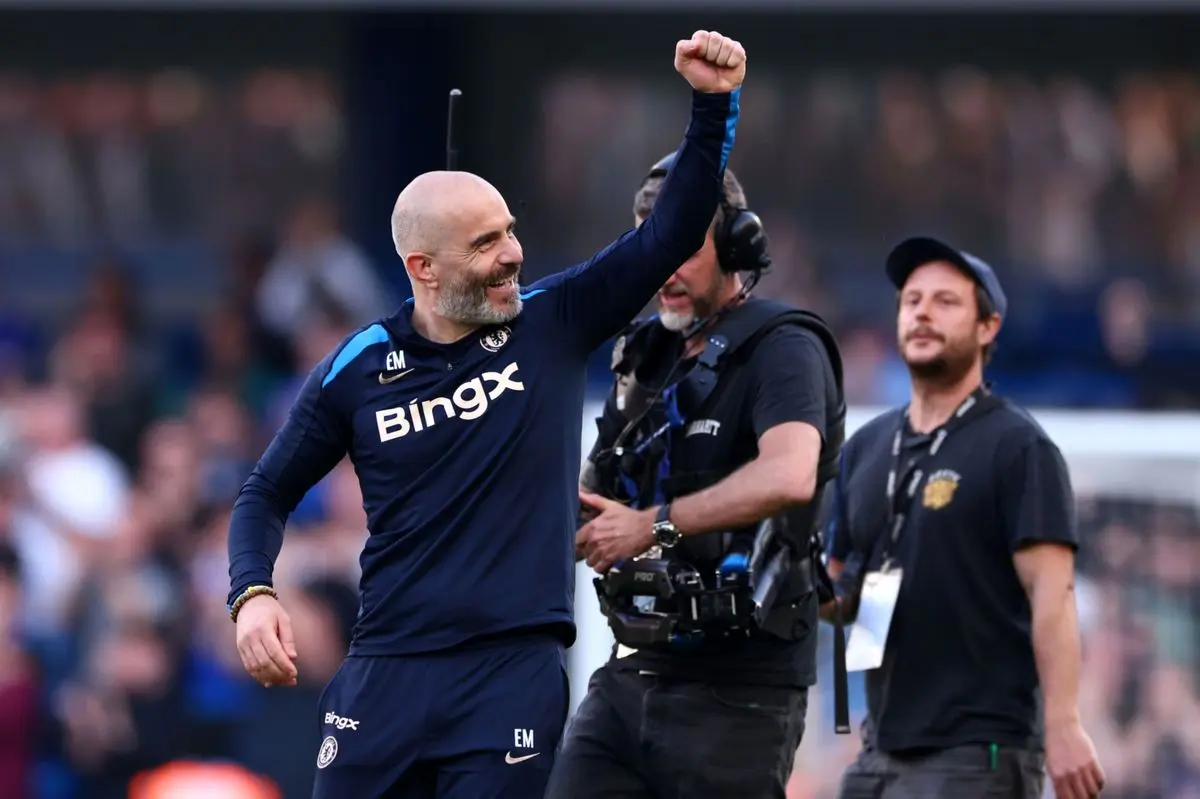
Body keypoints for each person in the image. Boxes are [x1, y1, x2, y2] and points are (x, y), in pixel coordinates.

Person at [225, 29, 748, 799]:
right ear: (423, 268)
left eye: (510, 230)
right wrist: (252, 594)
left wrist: (712, 106)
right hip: (383, 670)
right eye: (485, 243)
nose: (513, 252)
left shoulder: (554, 320)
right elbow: (263, 492)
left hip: (508, 676)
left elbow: (670, 231)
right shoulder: (358, 365)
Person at [546, 156, 848, 799]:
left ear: (737, 244)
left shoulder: (785, 347)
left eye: (682, 246)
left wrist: (650, 525)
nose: (664, 268)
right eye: (651, 246)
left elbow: (791, 474)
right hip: (631, 673)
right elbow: (595, 503)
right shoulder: (643, 355)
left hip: (741, 694)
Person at [823, 236, 1106, 799]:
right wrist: (786, 573)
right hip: (880, 751)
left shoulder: (1018, 447)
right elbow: (838, 594)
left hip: (980, 751)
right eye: (912, 301)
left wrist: (1064, 723)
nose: (923, 313)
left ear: (987, 327)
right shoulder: (866, 447)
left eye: (946, 301)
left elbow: (1053, 594)